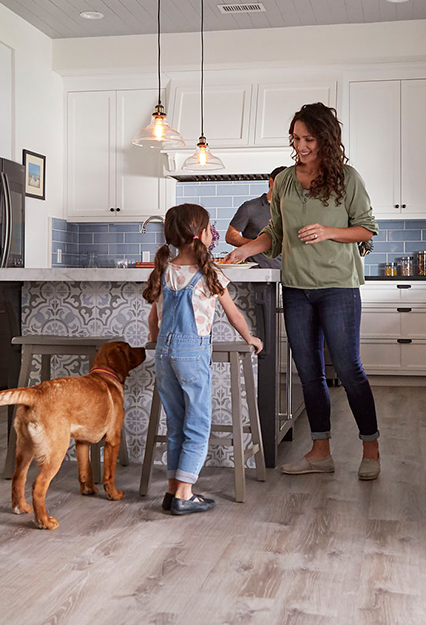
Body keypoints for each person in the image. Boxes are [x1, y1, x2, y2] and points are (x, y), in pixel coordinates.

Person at [225, 102, 381, 481]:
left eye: (308, 138)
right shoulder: (285, 182)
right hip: (296, 288)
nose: (301, 146)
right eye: (296, 138)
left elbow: (366, 229)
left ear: (326, 139)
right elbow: (275, 234)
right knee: (308, 371)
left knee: (348, 367)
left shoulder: (348, 178)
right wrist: (246, 248)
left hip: (338, 287)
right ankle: (320, 451)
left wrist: (329, 232)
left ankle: (371, 448)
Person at [143, 203, 263, 515]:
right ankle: (185, 493)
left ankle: (172, 490)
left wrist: (156, 343)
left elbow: (153, 319)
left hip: (164, 355)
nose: (214, 233)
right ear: (202, 234)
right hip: (191, 353)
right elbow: (233, 313)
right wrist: (249, 338)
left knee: (176, 424)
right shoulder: (210, 274)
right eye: (211, 228)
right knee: (198, 423)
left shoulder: (166, 271)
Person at [226, 166, 287, 268]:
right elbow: (231, 236)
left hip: (283, 274)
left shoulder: (290, 210)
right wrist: (257, 245)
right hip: (256, 274)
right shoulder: (250, 208)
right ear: (271, 182)